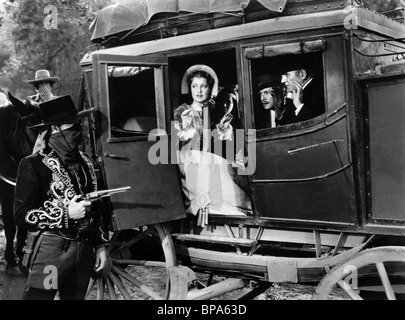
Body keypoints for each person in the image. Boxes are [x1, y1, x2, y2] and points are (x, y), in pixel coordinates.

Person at [13, 95, 109, 300]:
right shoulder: (32, 164)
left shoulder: (85, 161)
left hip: (83, 253)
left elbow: (96, 207)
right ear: (55, 130)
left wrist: (100, 246)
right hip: (51, 253)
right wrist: (66, 214)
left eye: (78, 124)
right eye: (71, 125)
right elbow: (21, 215)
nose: (77, 130)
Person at [174, 65, 251, 226]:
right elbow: (180, 139)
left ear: (210, 88)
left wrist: (221, 129)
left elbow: (210, 141)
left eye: (203, 86)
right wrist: (186, 126)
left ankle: (231, 206)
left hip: (206, 157)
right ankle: (215, 206)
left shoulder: (211, 109)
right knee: (217, 165)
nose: (199, 91)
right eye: (195, 86)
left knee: (228, 164)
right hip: (188, 159)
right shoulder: (183, 111)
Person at [281, 55, 325, 124]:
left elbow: (316, 124)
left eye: (287, 75)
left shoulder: (319, 91)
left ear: (302, 74)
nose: (283, 81)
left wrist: (299, 105)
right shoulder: (298, 93)